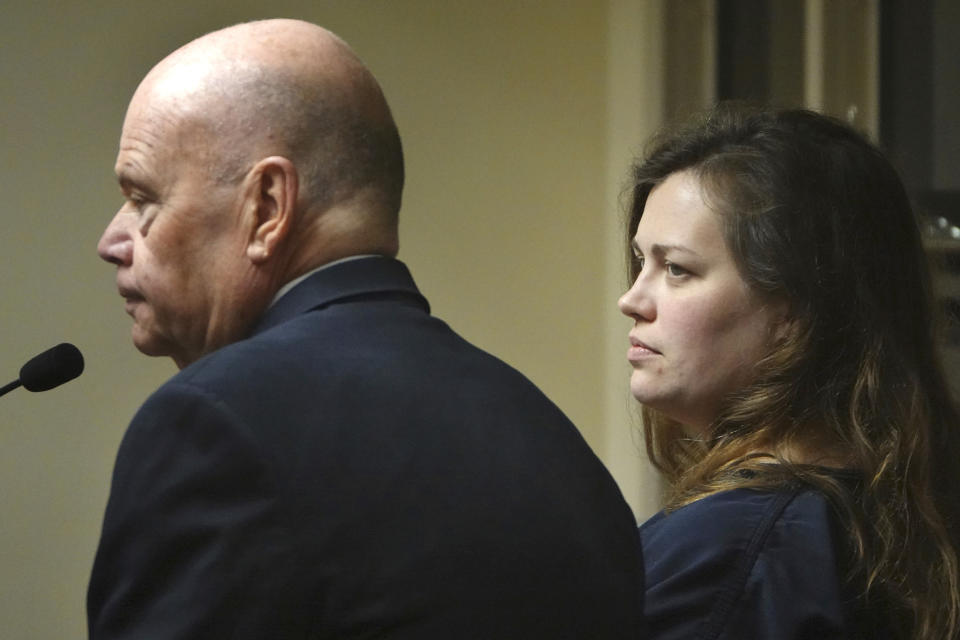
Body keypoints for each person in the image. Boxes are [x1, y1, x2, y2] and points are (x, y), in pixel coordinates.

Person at [89, 19, 644, 639]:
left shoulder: (212, 426)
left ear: (268, 208)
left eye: (143, 199)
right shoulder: (550, 440)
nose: (112, 241)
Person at [617, 103, 960, 640]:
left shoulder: (733, 551)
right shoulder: (902, 511)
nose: (631, 300)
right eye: (641, 263)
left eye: (677, 269)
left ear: (796, 308)